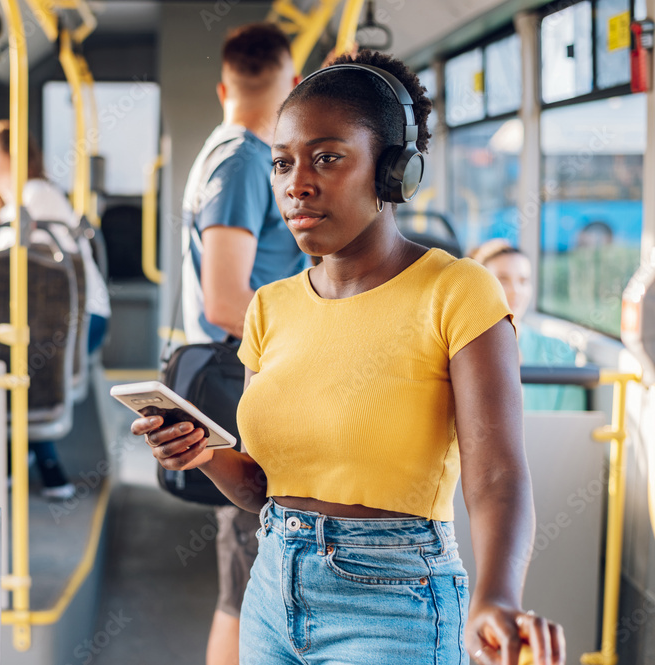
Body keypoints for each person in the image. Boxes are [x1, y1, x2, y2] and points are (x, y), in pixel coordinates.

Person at [133, 50, 565, 665]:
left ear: (395, 173)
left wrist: (496, 595)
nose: (295, 183)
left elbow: (497, 475)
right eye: (282, 164)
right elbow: (263, 485)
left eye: (327, 158)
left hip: (394, 603)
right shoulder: (269, 307)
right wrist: (202, 453)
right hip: (271, 587)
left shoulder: (457, 290)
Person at [179, 23, 304, 665]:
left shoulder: (220, 151)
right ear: (289, 82)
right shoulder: (245, 159)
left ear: (225, 84)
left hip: (249, 367)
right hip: (248, 371)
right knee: (249, 575)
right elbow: (226, 301)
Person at [0, 120, 111, 500]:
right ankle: (20, 468)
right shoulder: (10, 209)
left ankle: (41, 472)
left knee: (23, 369)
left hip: (80, 319)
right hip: (53, 320)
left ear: (14, 158)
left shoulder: (35, 195)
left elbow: (28, 267)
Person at [470, 240, 586, 411]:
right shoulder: (456, 352)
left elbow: (573, 427)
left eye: (523, 281)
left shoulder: (560, 354)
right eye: (503, 279)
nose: (516, 290)